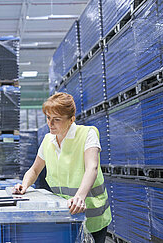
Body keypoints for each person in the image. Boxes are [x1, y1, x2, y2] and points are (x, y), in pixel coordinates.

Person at [13, 93, 111, 243]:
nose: (50, 124)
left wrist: (80, 196)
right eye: (48, 118)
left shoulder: (87, 134)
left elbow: (92, 167)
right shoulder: (48, 140)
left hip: (92, 217)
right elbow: (34, 170)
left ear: (71, 120)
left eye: (56, 120)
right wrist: (24, 185)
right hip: (66, 216)